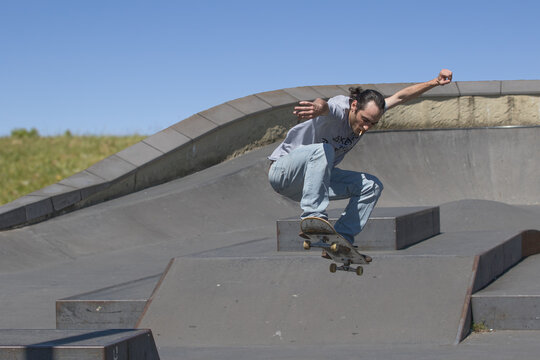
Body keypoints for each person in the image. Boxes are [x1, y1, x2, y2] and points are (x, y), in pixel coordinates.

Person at [268, 69, 453, 248]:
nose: (366, 127)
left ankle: (342, 238)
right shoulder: (340, 108)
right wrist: (317, 107)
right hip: (284, 172)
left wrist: (434, 82)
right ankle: (313, 218)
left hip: (309, 185)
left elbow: (400, 97)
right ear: (354, 106)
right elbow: (325, 105)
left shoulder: (372, 111)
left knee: (371, 186)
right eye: (364, 120)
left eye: (373, 123)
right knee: (323, 150)